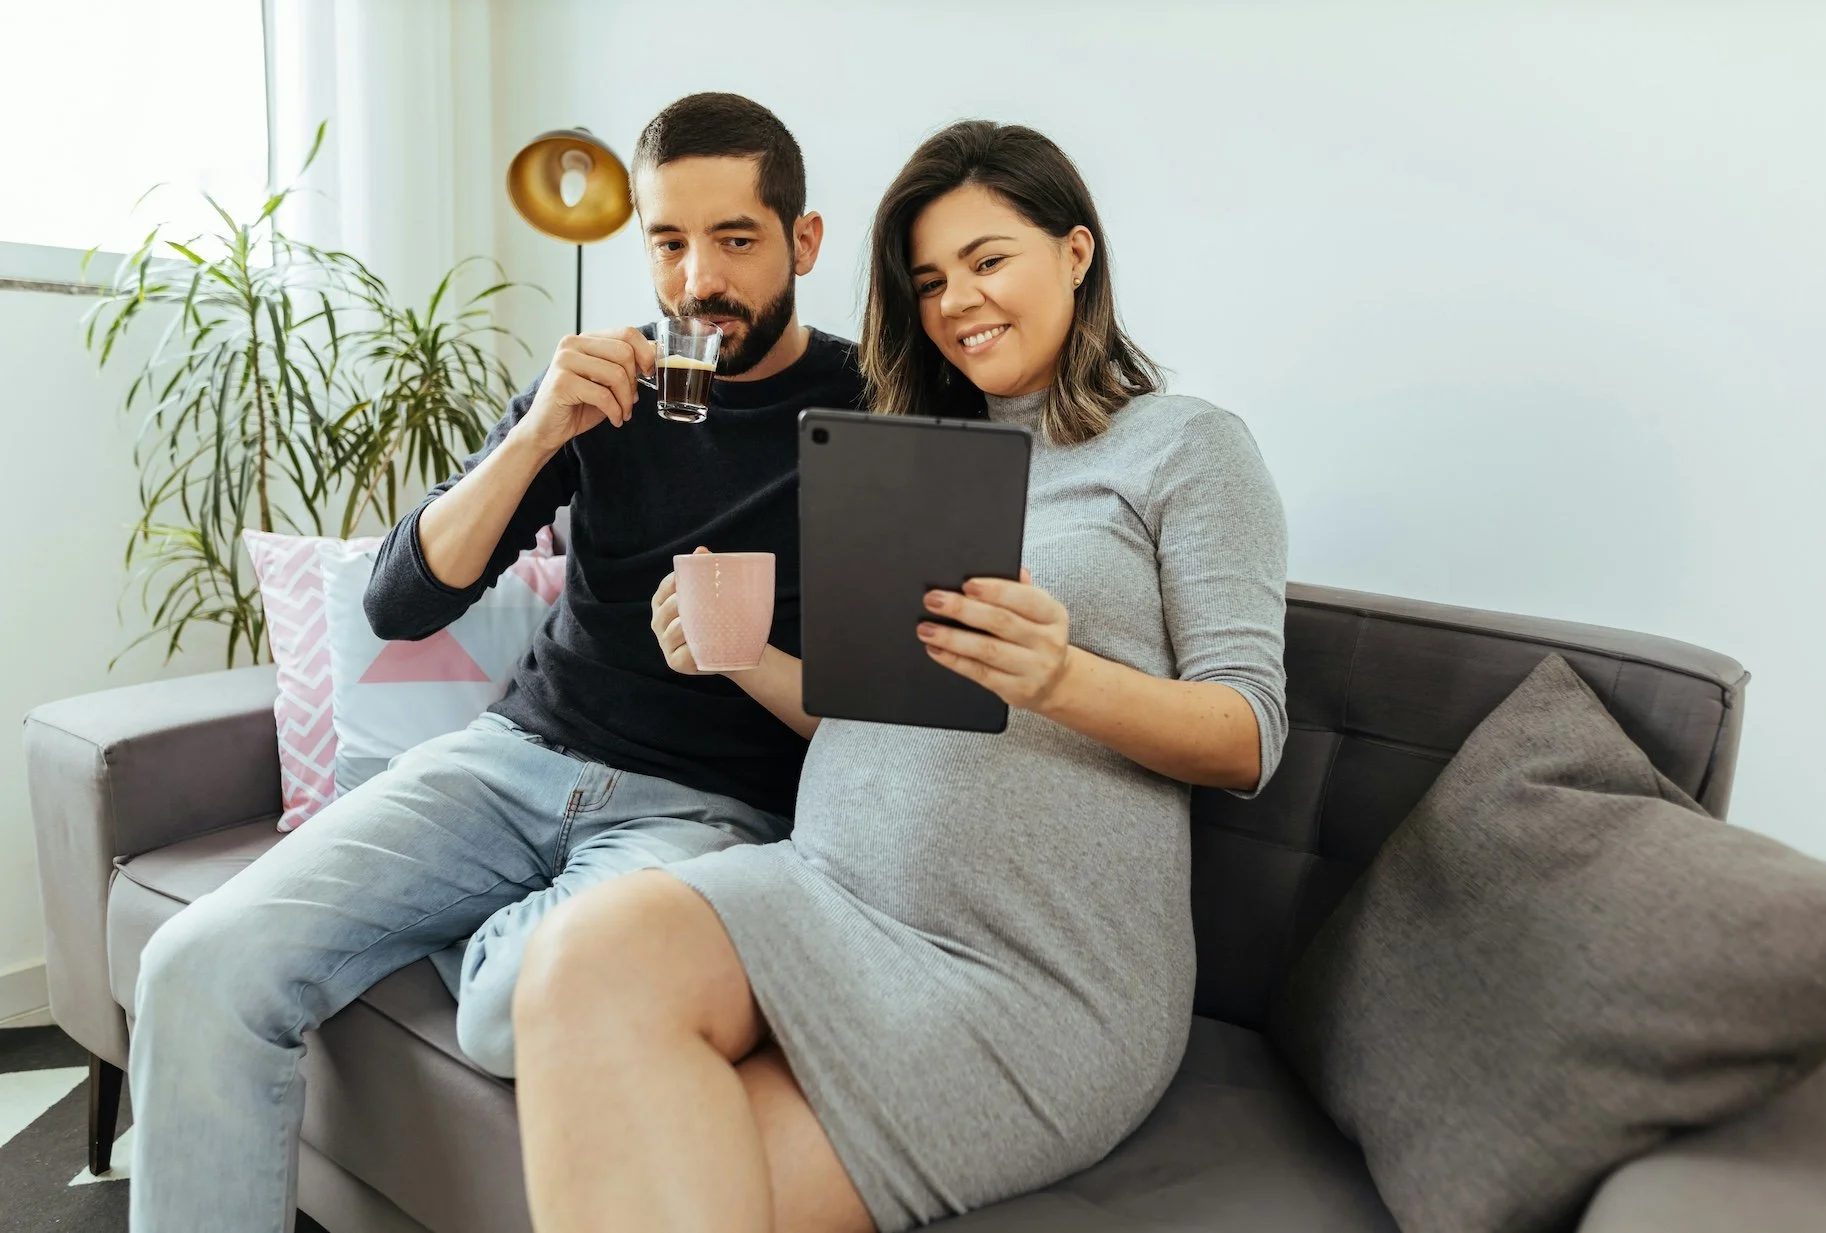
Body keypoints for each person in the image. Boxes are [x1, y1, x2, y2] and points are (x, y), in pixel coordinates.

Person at [509, 120, 1290, 1233]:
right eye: (927, 280)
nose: (955, 302)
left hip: (1026, 973)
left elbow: (1247, 737)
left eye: (987, 260)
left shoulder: (1184, 447)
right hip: (825, 891)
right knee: (581, 956)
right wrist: (742, 659)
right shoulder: (912, 459)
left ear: (1075, 253)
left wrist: (1058, 678)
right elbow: (862, 710)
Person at [126, 93, 864, 1233]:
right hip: (515, 759)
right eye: (668, 242)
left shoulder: (871, 405)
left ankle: (466, 920)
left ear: (800, 244)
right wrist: (536, 437)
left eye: (734, 240)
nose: (696, 281)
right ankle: (470, 900)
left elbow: (892, 697)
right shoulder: (602, 390)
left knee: (514, 1010)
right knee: (198, 965)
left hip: (709, 812)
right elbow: (399, 600)